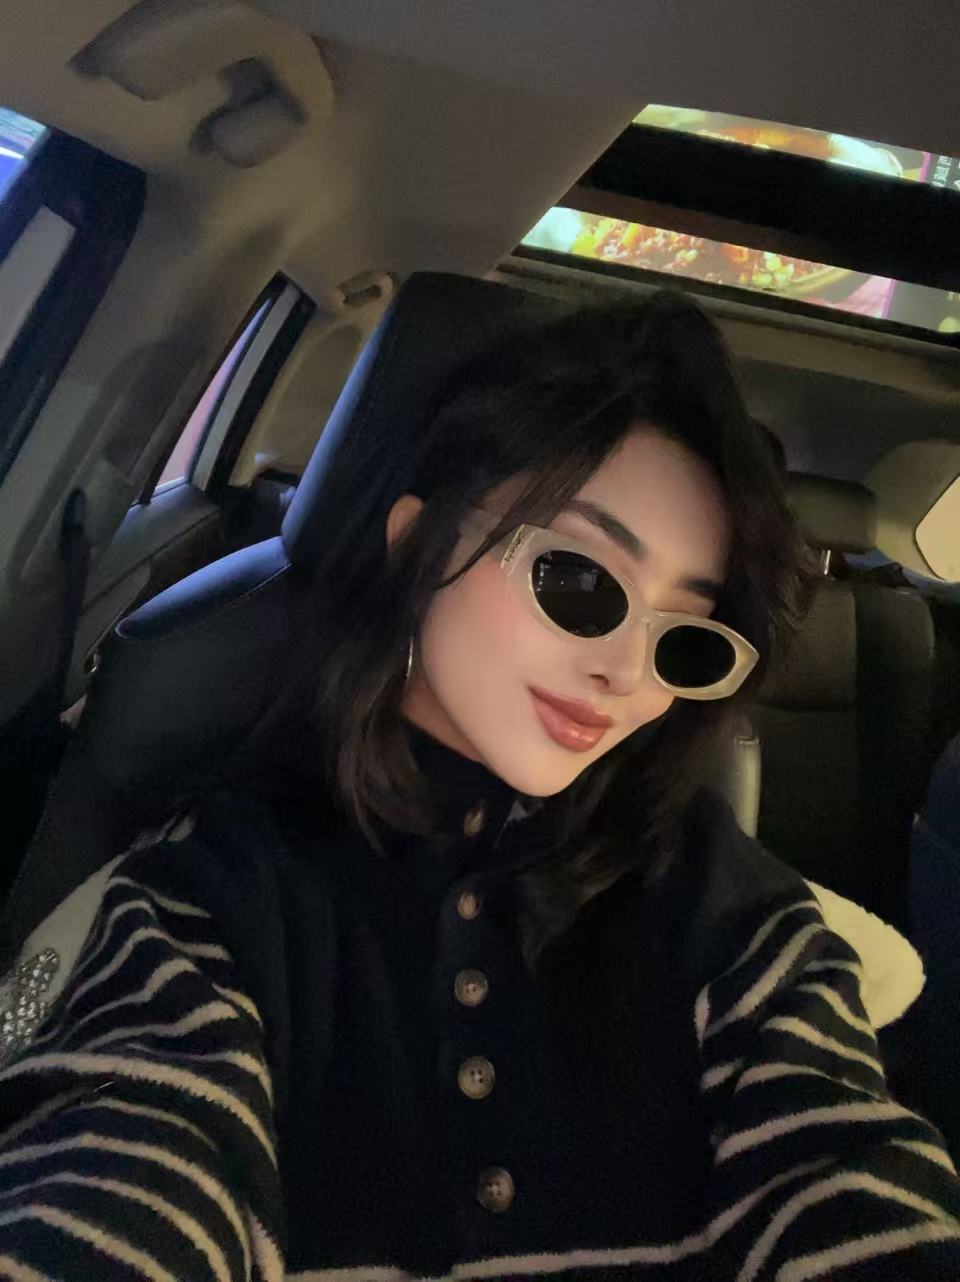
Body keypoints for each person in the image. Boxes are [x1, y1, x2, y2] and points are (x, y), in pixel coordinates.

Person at [0, 290, 958, 1282]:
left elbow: (843, 1169)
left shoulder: (732, 913)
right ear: (418, 543)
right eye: (579, 581)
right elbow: (126, 1167)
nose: (629, 673)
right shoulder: (212, 899)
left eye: (684, 636)